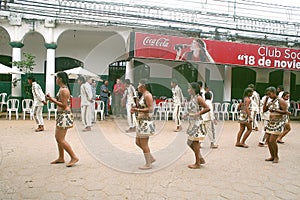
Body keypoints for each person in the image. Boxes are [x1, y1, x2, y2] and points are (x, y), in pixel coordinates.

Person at [46, 71, 79, 167]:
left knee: (60, 138)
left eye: (57, 78)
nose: (56, 80)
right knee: (58, 138)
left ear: (60, 79)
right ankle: (61, 157)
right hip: (62, 114)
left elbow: (64, 105)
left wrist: (52, 100)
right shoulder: (62, 89)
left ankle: (73, 157)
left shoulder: (63, 90)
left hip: (64, 114)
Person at [130, 79, 156, 170]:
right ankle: (150, 158)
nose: (137, 86)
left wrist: (138, 110)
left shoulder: (148, 95)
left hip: (146, 122)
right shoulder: (143, 95)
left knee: (144, 144)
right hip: (141, 121)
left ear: (143, 86)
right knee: (137, 142)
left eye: (139, 84)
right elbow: (142, 106)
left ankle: (148, 163)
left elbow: (150, 109)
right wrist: (136, 108)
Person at [185, 82, 210, 169]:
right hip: (192, 123)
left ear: (194, 89)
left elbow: (207, 108)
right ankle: (200, 158)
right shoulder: (192, 98)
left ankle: (197, 163)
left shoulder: (199, 98)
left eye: (189, 88)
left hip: (197, 123)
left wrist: (198, 113)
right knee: (189, 142)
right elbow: (192, 108)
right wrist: (187, 114)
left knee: (195, 142)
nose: (188, 90)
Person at [263, 86, 288, 163]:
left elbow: (285, 111)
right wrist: (266, 100)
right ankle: (272, 156)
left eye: (269, 94)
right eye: (267, 95)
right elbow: (264, 110)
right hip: (271, 122)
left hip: (278, 122)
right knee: (268, 140)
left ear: (274, 93)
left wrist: (276, 110)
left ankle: (276, 156)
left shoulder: (280, 101)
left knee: (272, 140)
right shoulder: (271, 101)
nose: (269, 96)